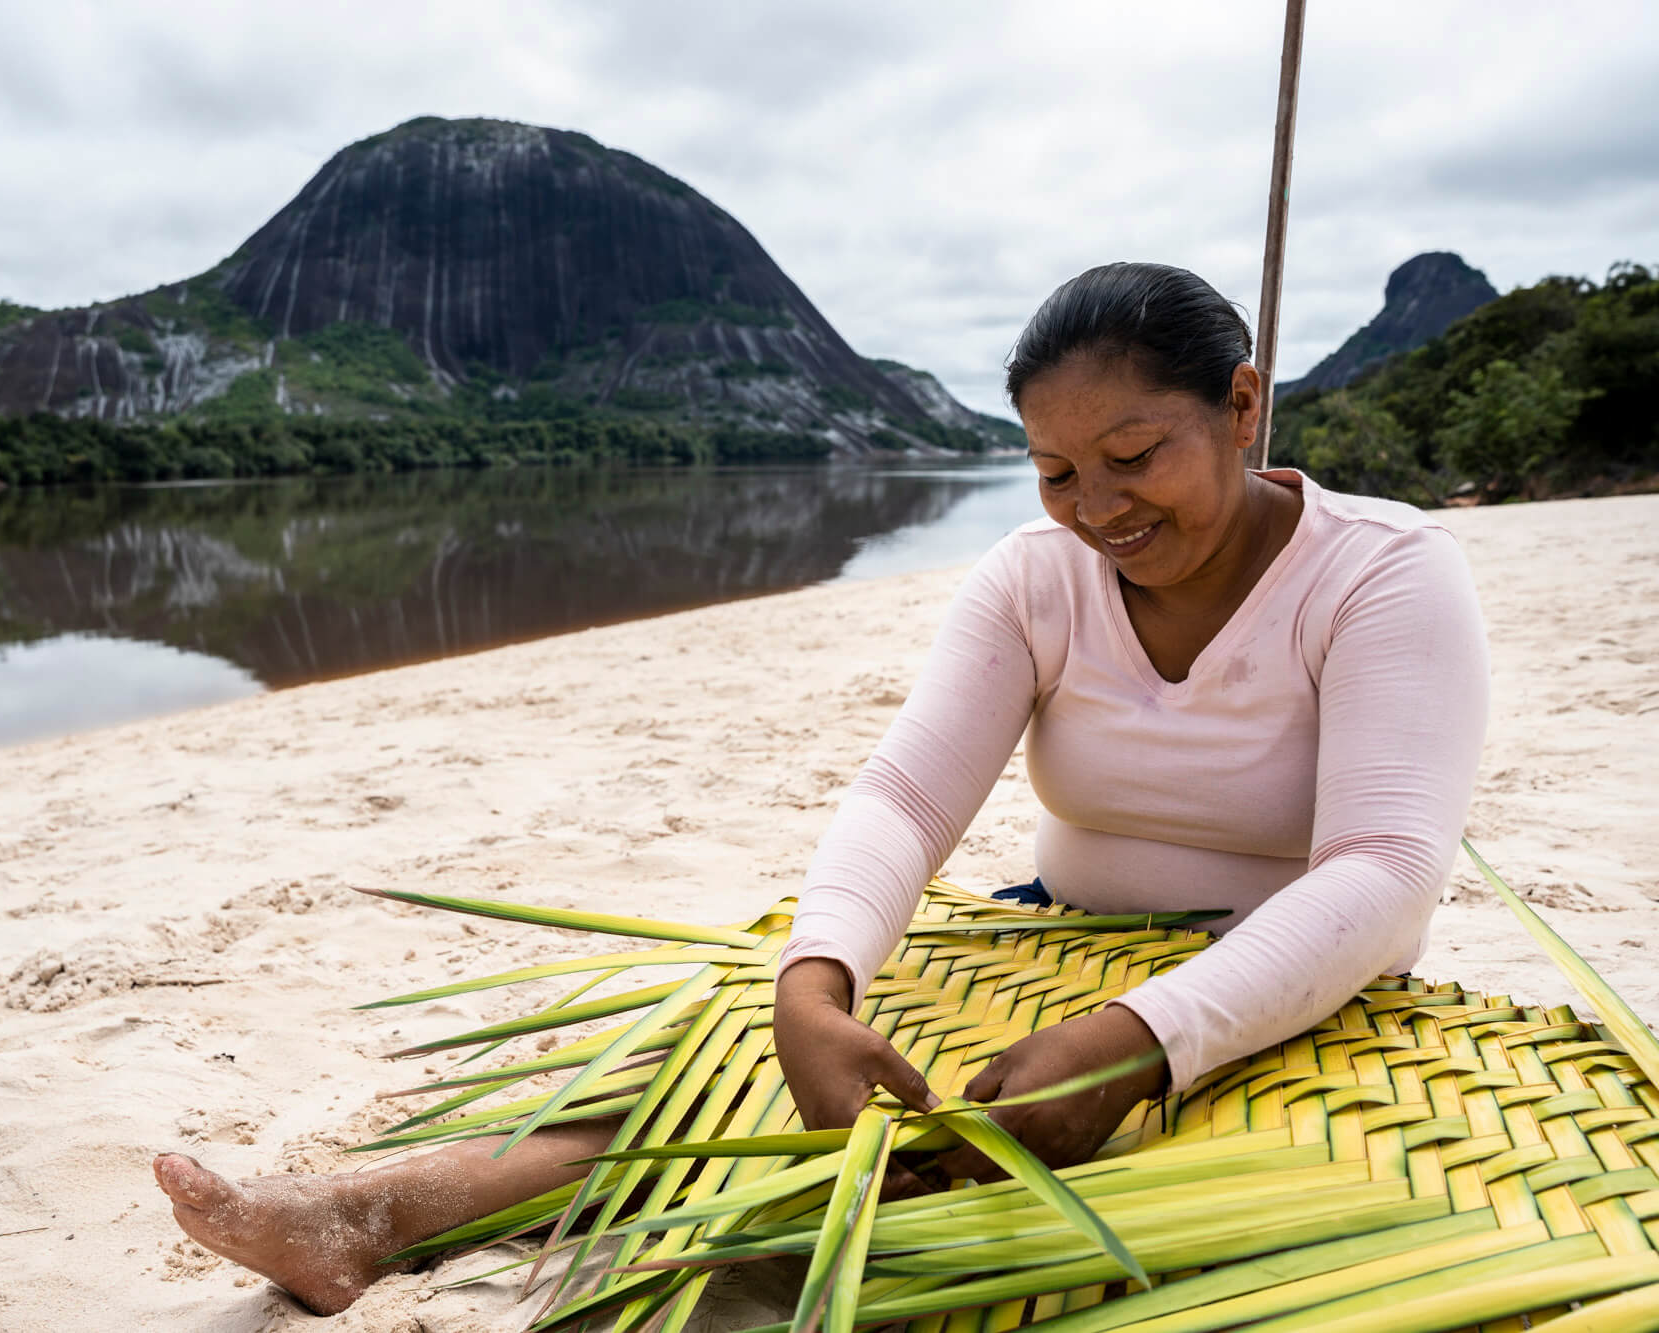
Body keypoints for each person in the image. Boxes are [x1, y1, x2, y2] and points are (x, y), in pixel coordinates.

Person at [151, 261, 1491, 1315]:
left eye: (1135, 455)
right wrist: (814, 987)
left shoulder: (1381, 572)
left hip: (1297, 987)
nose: (1099, 508)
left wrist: (1139, 1038)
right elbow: (906, 798)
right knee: (734, 1066)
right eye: (1057, 472)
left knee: (1172, 1205)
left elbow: (1382, 872)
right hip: (1051, 943)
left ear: (1243, 407)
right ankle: (367, 1217)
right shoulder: (1036, 580)